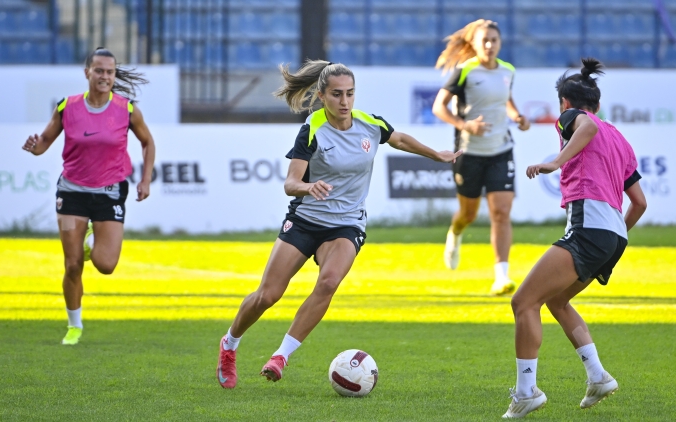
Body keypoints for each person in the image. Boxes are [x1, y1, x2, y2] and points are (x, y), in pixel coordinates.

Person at [216, 60, 462, 389]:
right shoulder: (312, 129)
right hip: (306, 220)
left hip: (347, 224)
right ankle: (229, 344)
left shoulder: (369, 124)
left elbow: (400, 139)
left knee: (329, 282)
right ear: (321, 96)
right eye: (336, 94)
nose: (344, 101)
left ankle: (281, 356)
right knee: (268, 295)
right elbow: (290, 183)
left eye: (350, 93)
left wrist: (437, 155)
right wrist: (308, 187)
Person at [502, 58, 647, 418]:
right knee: (557, 301)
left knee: (523, 302)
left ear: (565, 103)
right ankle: (598, 376)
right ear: (598, 102)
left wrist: (555, 161)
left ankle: (526, 393)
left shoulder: (573, 117)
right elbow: (640, 203)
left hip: (590, 228)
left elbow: (586, 126)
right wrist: (612, 235)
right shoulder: (620, 139)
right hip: (614, 235)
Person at [22, 48, 156, 345]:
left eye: (110, 72)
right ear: (87, 73)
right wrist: (34, 146)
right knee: (72, 265)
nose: (104, 76)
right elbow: (44, 143)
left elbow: (148, 142)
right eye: (99, 70)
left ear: (114, 75)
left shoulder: (127, 109)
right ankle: (74, 326)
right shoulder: (67, 106)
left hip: (109, 193)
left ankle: (91, 238)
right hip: (71, 193)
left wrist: (145, 179)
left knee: (106, 265)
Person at [432, 19, 530, 295]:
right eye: (484, 40)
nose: (489, 45)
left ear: (500, 43)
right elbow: (439, 107)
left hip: (501, 150)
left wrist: (518, 117)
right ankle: (455, 233)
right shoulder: (465, 70)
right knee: (468, 214)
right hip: (469, 152)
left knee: (501, 212)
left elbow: (505, 100)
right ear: (474, 44)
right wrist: (466, 125)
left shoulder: (508, 70)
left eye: (494, 40)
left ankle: (502, 276)